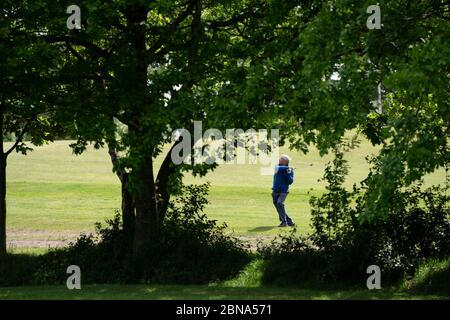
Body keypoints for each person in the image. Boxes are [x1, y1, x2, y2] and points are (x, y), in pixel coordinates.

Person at [272, 154, 295, 227]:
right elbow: (277, 168)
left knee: (280, 204)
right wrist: (288, 168)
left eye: (281, 159)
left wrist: (288, 173)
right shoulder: (278, 167)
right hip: (275, 191)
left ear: (285, 161)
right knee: (279, 208)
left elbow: (290, 182)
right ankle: (290, 222)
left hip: (283, 191)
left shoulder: (289, 170)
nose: (279, 160)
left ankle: (284, 222)